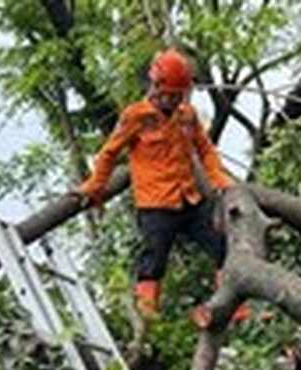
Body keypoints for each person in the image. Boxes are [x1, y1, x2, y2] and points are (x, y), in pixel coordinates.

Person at [75, 48, 247, 320]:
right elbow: (108, 154)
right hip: (155, 205)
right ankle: (147, 316)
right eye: (169, 93)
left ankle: (233, 306)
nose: (173, 99)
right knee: (153, 259)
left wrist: (219, 180)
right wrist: (95, 187)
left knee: (221, 246)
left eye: (178, 94)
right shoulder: (135, 116)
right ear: (155, 86)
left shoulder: (187, 116)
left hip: (189, 199)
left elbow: (206, 150)